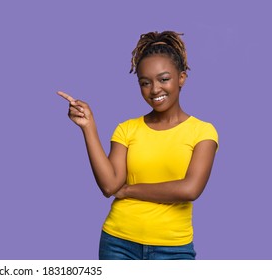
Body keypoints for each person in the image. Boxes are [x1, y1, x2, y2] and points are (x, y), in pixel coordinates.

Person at [57, 31, 218, 260]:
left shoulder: (203, 131)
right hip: (118, 243)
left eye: (164, 79)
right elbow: (110, 185)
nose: (154, 90)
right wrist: (89, 127)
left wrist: (129, 190)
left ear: (181, 78)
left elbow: (190, 189)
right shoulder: (126, 129)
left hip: (173, 248)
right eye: (145, 82)